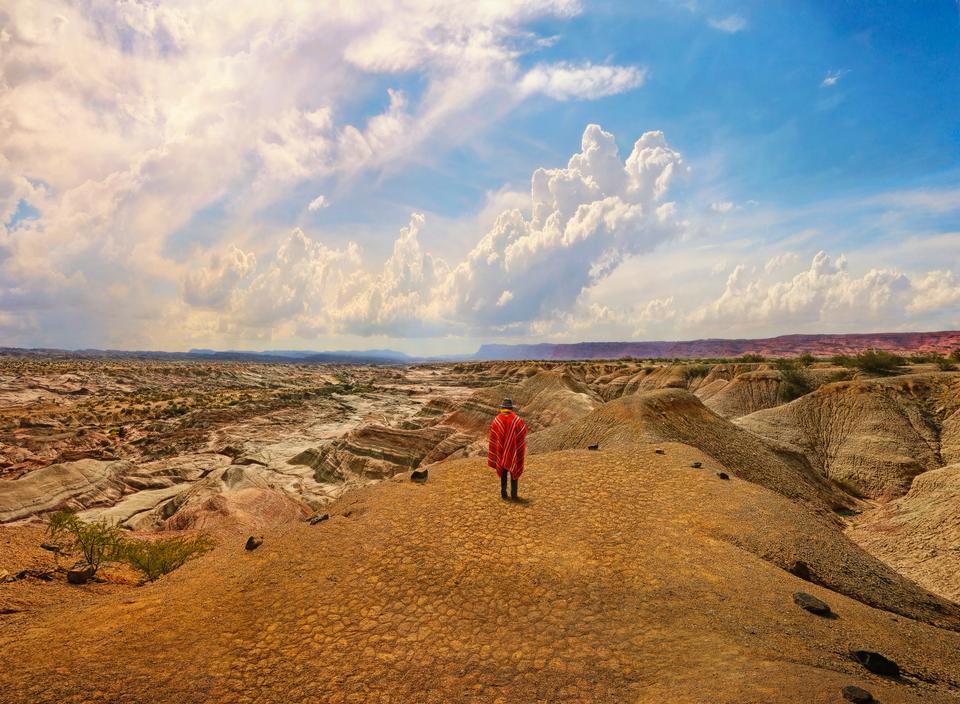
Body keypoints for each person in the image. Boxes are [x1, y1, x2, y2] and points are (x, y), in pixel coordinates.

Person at [487, 398, 527, 500]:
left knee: (503, 473)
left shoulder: (497, 420)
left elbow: (493, 436)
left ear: (503, 407)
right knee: (514, 472)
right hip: (513, 450)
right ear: (510, 408)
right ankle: (514, 494)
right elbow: (523, 432)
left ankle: (503, 493)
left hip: (501, 452)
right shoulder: (517, 420)